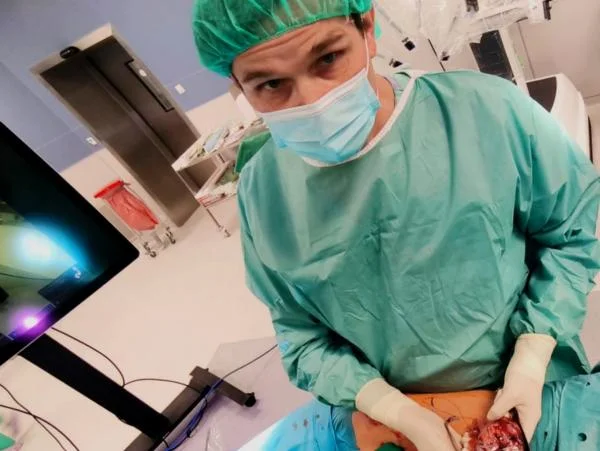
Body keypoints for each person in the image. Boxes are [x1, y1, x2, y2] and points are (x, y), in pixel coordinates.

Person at [192, 1, 600, 450]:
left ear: (366, 27)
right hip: (384, 417)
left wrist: (533, 351)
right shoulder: (263, 192)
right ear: (239, 87)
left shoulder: (486, 111)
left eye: (327, 58)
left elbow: (570, 238)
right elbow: (301, 335)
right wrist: (387, 406)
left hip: (528, 391)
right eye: (271, 84)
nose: (312, 101)